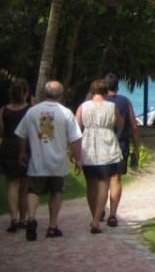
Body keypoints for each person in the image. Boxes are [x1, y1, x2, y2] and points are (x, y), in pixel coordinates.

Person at [14, 80, 84, 241]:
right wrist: (78, 158)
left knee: (33, 191)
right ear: (61, 94)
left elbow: (21, 134)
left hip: (37, 160)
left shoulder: (32, 111)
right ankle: (52, 226)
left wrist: (22, 152)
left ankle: (31, 218)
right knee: (56, 192)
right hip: (58, 162)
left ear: (45, 93)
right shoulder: (66, 113)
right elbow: (75, 139)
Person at [75, 78, 123, 234]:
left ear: (92, 91)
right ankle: (96, 220)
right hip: (107, 146)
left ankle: (94, 216)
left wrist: (75, 152)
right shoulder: (111, 106)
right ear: (105, 92)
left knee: (90, 184)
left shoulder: (83, 106)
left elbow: (76, 128)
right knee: (104, 183)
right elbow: (120, 124)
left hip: (88, 145)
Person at [105, 72, 141, 228]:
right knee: (115, 179)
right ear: (118, 87)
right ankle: (112, 215)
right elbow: (133, 125)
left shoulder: (98, 102)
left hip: (101, 145)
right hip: (120, 144)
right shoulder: (125, 102)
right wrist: (137, 148)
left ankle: (98, 211)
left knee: (100, 180)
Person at [0, 78, 31, 232]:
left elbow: (1, 131)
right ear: (25, 93)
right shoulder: (29, 110)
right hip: (25, 147)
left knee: (11, 184)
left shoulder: (4, 110)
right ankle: (23, 219)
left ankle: (13, 218)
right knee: (24, 186)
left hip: (8, 146)